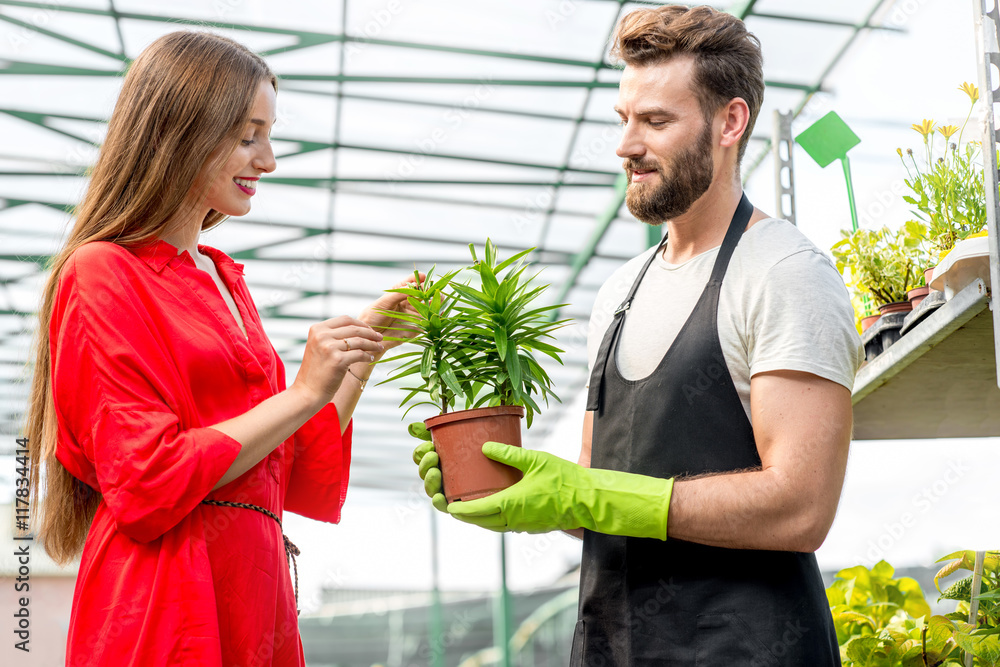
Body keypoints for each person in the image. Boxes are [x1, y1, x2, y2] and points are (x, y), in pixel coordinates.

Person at [414, 5, 864, 664]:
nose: (626, 145)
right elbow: (603, 493)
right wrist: (517, 491)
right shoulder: (620, 291)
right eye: (624, 120)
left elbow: (800, 507)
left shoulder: (784, 272)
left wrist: (588, 490)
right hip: (611, 645)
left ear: (729, 123)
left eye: (656, 121)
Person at [24, 31, 417, 666]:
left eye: (268, 133)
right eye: (247, 135)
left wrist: (355, 365)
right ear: (176, 134)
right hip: (166, 594)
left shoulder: (223, 277)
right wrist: (305, 392)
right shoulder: (101, 272)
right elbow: (146, 479)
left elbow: (277, 466)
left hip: (253, 585)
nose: (269, 159)